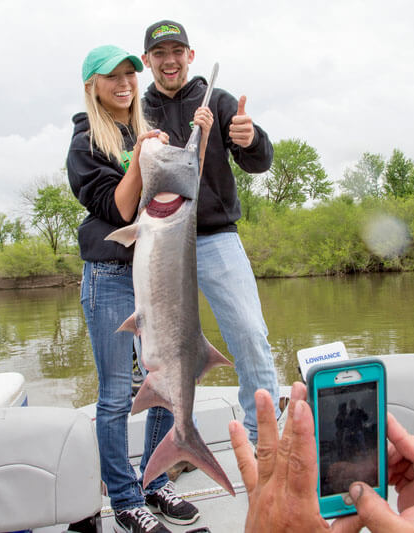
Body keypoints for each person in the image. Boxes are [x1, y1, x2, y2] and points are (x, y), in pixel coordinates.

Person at [66, 44, 213, 533]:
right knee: (113, 397)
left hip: (160, 275)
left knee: (169, 381)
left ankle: (155, 480)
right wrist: (139, 161)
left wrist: (201, 140)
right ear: (93, 85)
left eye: (130, 72)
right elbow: (121, 209)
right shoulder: (85, 143)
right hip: (110, 278)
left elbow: (180, 185)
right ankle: (127, 497)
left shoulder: (144, 129)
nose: (125, 81)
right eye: (112, 76)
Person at [141, 20, 281, 443]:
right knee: (156, 356)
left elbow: (259, 162)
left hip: (216, 238)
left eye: (177, 51)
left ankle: (264, 440)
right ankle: (172, 448)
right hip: (159, 245)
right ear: (147, 60)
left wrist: (251, 138)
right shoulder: (138, 110)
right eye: (160, 53)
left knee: (251, 336)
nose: (169, 61)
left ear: (190, 55)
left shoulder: (217, 101)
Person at [230, 382, 414, 533]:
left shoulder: (357, 412)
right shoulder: (343, 416)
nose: (350, 405)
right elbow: (341, 425)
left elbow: (364, 421)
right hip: (346, 437)